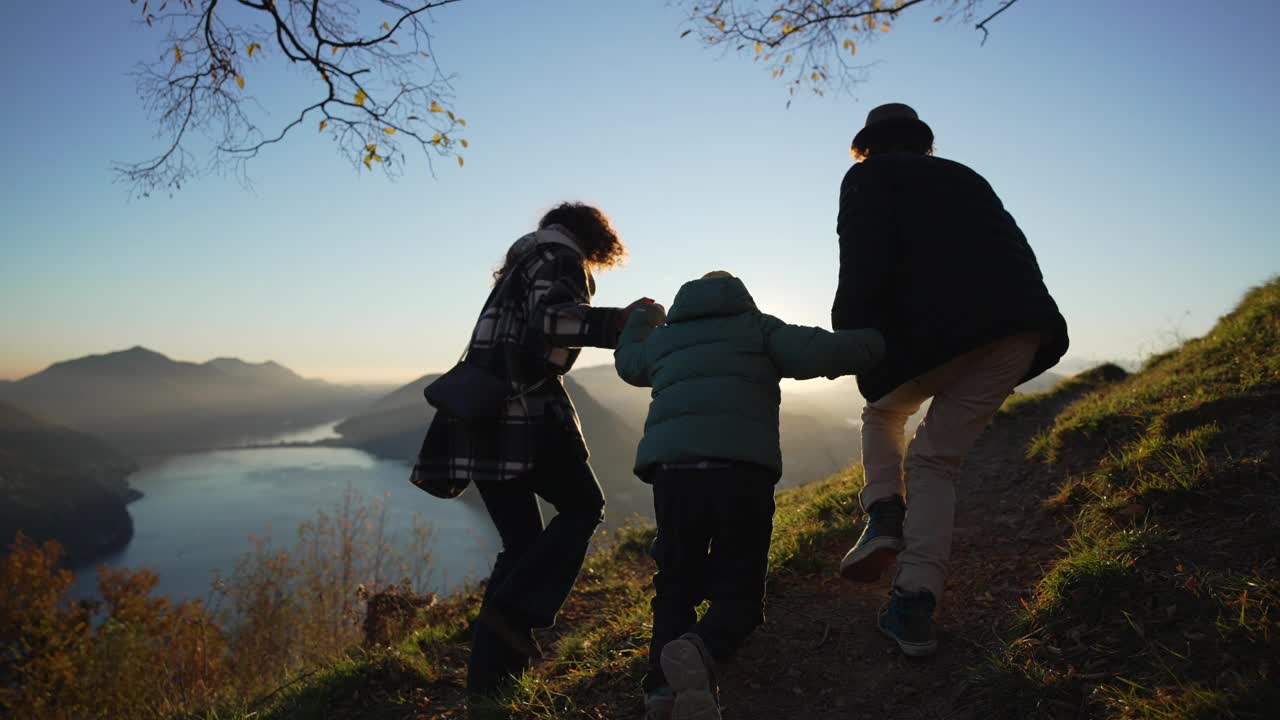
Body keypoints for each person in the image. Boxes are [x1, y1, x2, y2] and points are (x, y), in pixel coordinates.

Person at [832, 103, 1070, 657]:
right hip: (1021, 328)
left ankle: (884, 512)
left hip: (937, 332)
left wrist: (855, 342)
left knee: (883, 412)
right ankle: (914, 604)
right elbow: (1017, 251)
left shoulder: (868, 175)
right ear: (923, 141)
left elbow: (862, 258)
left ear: (868, 144)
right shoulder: (967, 175)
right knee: (937, 460)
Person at [615, 271, 885, 720]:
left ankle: (661, 694)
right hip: (741, 476)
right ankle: (699, 650)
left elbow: (628, 363)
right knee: (739, 594)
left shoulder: (665, 339)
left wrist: (642, 316)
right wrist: (882, 340)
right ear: (741, 297)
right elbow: (823, 350)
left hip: (674, 476)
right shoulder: (758, 329)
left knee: (675, 583)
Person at [425, 202, 657, 697]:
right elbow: (554, 322)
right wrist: (621, 320)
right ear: (590, 238)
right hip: (522, 418)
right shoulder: (558, 258)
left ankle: (490, 688)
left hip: (477, 421)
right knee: (584, 505)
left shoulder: (520, 266)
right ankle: (515, 613)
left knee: (521, 545)